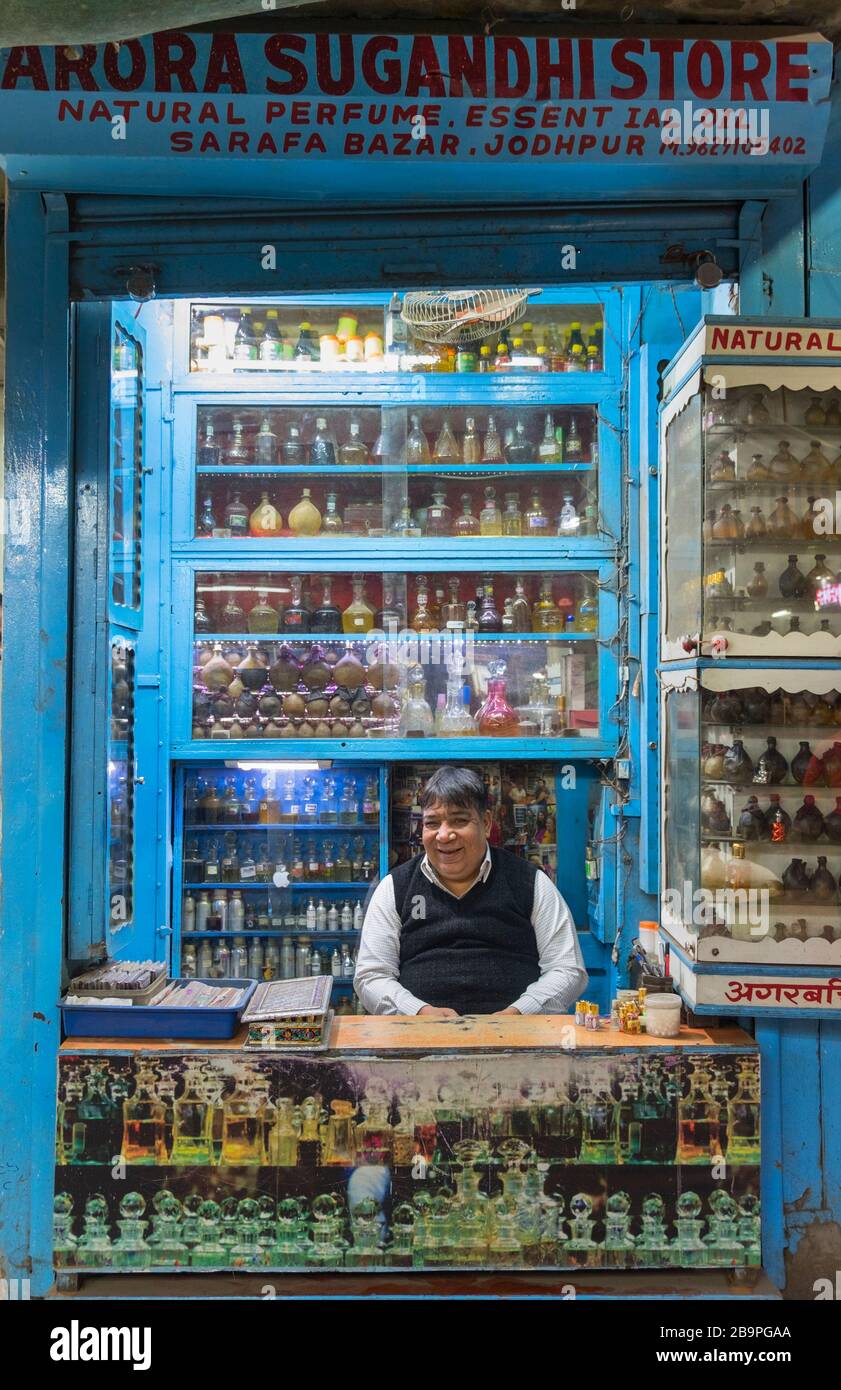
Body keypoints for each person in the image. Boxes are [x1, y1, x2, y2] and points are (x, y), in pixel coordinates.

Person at [354, 766, 588, 1017]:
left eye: (459, 820)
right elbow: (372, 975)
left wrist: (518, 1013)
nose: (444, 835)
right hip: (418, 1042)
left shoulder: (530, 883)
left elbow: (566, 969)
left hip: (516, 1043)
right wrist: (418, 1012)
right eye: (432, 823)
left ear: (486, 824)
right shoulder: (395, 887)